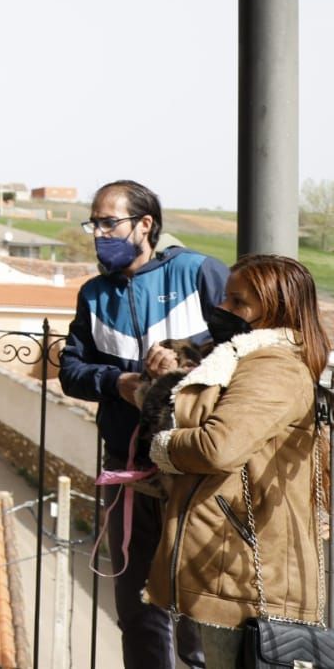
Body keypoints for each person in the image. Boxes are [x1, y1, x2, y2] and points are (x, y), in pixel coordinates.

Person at [59, 179, 228, 669]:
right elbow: (71, 370)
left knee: (198, 605)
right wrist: (120, 383)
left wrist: (184, 360)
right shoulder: (93, 294)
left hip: (195, 469)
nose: (98, 233)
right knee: (137, 610)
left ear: (145, 224)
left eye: (109, 222)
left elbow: (245, 351)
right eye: (94, 223)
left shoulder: (198, 273)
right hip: (127, 468)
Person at [146, 254, 332, 665]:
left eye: (237, 302)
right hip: (232, 561)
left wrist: (165, 446)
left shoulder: (274, 367)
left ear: (275, 307)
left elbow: (219, 447)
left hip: (245, 568)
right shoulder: (246, 359)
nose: (223, 310)